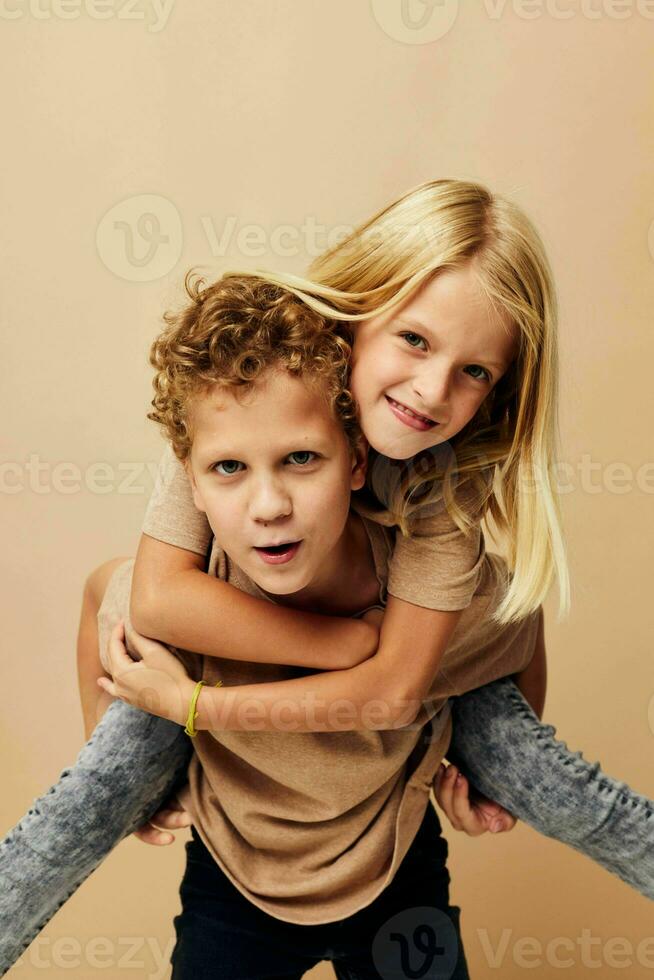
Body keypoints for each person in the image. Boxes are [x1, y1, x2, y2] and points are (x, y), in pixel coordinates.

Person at [1, 179, 652, 975]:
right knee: (131, 677)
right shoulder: (245, 391)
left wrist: (479, 773)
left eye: (474, 371)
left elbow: (433, 669)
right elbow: (147, 593)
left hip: (416, 744)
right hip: (249, 847)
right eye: (414, 340)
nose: (431, 390)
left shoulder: (445, 491)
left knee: (543, 773)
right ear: (360, 311)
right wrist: (334, 645)